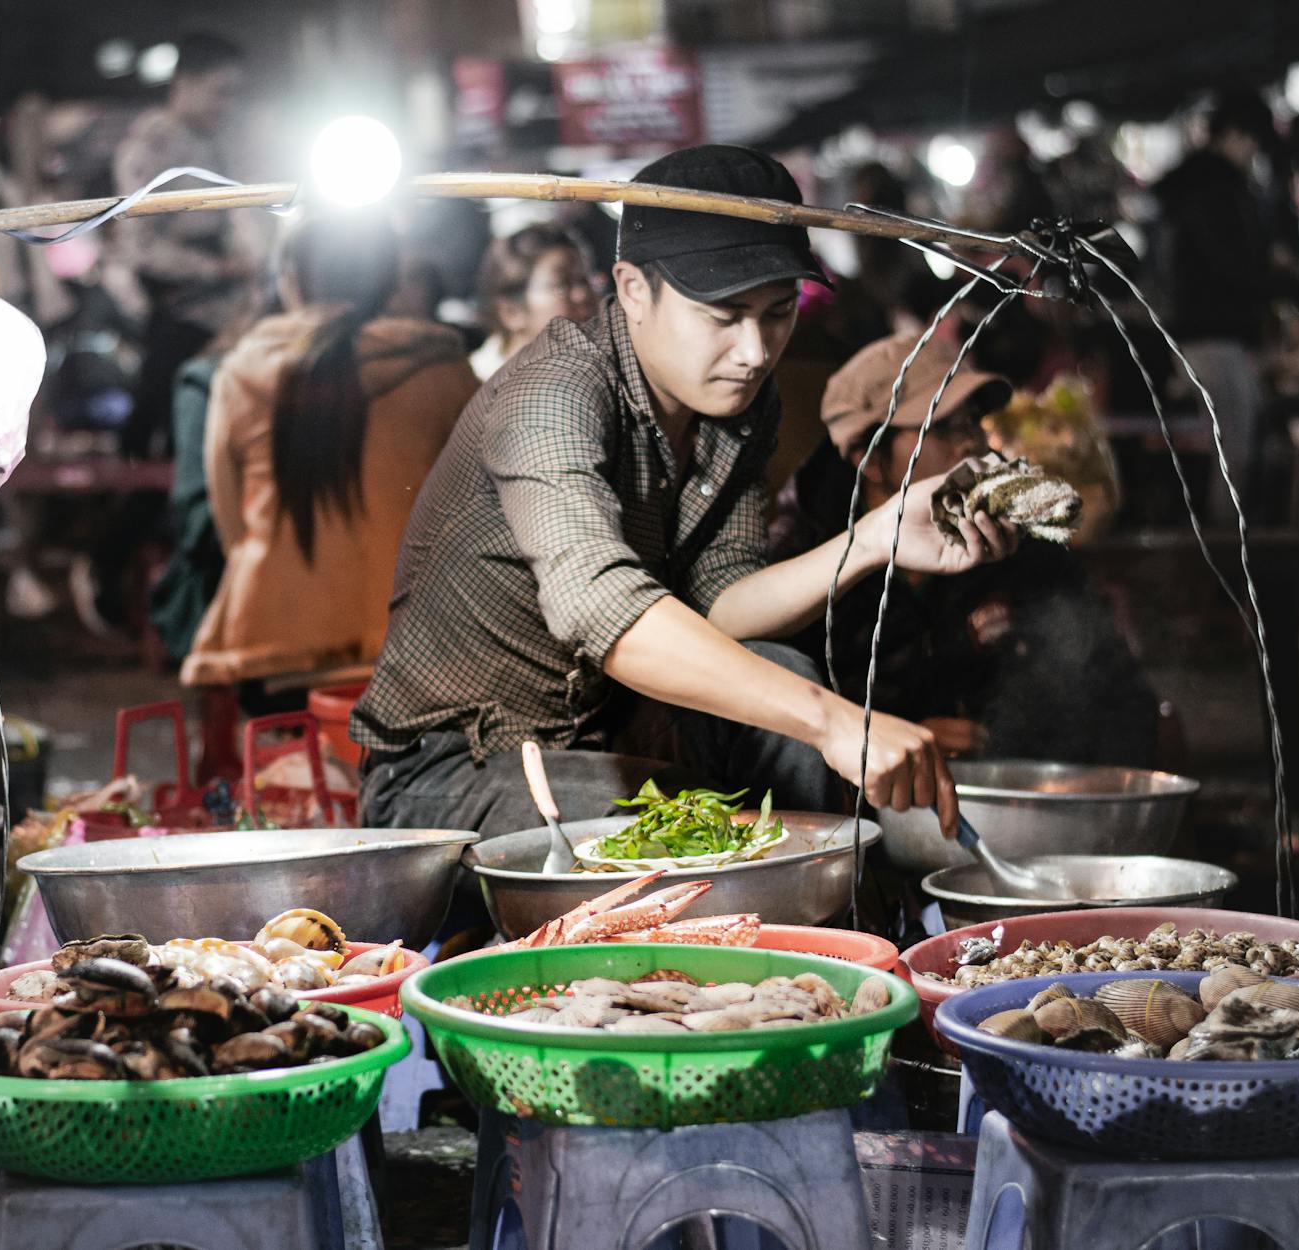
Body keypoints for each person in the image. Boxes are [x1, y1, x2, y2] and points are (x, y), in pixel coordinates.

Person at [351, 146, 1021, 838]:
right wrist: (831, 718)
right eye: (723, 317)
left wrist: (873, 539)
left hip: (606, 737)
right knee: (680, 823)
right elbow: (600, 604)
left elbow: (722, 604)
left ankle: (845, 926)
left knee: (777, 677)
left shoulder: (737, 405)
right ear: (634, 289)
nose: (756, 351)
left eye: (777, 314)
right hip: (446, 772)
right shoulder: (551, 394)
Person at [772, 333, 1161, 768]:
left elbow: (1118, 693)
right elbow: (779, 720)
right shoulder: (805, 561)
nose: (970, 444)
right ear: (871, 458)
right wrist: (899, 732)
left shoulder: (1017, 544)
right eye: (943, 428)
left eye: (973, 421)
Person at [180, 213, 480, 707]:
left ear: (292, 279)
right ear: (389, 279)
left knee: (286, 783)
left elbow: (230, 519)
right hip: (418, 646)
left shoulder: (243, 372)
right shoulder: (443, 368)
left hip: (273, 642)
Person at [109, 31, 255, 459]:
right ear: (184, 83)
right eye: (219, 92)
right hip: (178, 319)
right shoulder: (151, 146)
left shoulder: (209, 143)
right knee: (167, 448)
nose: (226, 105)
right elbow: (140, 248)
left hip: (220, 322)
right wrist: (219, 269)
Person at [1153, 91, 1281, 524]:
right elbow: (1228, 263)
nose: (1254, 155)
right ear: (1237, 135)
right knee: (1233, 454)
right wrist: (1276, 275)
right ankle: (1224, 556)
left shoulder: (1189, 183)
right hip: (1212, 335)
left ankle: (1217, 550)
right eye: (1254, 142)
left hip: (1192, 333)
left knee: (1224, 450)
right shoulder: (1215, 189)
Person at [469, 224, 598, 380]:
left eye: (584, 280)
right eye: (562, 285)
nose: (583, 294)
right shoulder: (476, 385)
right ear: (511, 312)